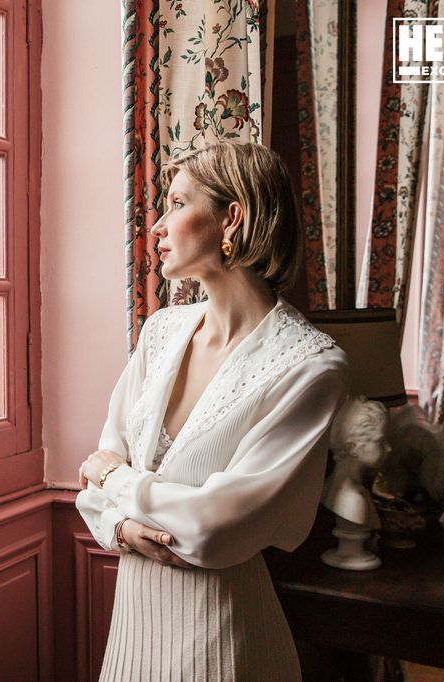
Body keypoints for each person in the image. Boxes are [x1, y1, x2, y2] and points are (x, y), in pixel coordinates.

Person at [76, 141, 349, 681]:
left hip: (222, 640)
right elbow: (91, 484)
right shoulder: (161, 332)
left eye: (177, 204)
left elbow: (215, 530)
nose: (157, 226)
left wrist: (114, 476)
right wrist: (119, 526)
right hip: (132, 627)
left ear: (233, 217)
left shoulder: (310, 367)